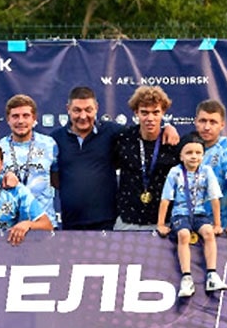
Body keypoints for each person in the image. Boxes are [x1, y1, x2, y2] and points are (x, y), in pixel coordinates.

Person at [51, 86, 178, 230]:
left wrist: (168, 128)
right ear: (68, 109)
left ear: (96, 108)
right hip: (70, 221)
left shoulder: (113, 132)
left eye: (88, 110)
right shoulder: (55, 139)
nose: (83, 116)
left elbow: (145, 131)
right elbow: (52, 177)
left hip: (107, 221)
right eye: (77, 110)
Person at [157, 133, 227, 298]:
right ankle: (187, 278)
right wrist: (160, 223)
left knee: (208, 233)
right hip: (180, 213)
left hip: (199, 213)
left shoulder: (207, 171)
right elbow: (166, 199)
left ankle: (212, 274)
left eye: (198, 153)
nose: (194, 156)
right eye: (189, 153)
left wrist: (217, 224)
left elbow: (215, 198)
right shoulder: (175, 172)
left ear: (203, 155)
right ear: (181, 156)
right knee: (184, 234)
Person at [113, 86, 180, 230]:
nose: (150, 118)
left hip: (164, 223)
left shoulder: (172, 143)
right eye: (144, 112)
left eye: (156, 112)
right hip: (127, 222)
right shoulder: (123, 138)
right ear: (136, 112)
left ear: (163, 112)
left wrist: (170, 127)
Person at [0, 94, 59, 226]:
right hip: (10, 226)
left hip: (44, 224)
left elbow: (56, 179)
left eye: (26, 116)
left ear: (34, 118)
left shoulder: (49, 144)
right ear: (8, 119)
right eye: (15, 116)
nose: (20, 121)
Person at [194, 99, 227, 245]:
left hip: (222, 227)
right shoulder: (187, 144)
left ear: (222, 125)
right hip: (192, 225)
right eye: (203, 121)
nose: (207, 127)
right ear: (195, 122)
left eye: (213, 122)